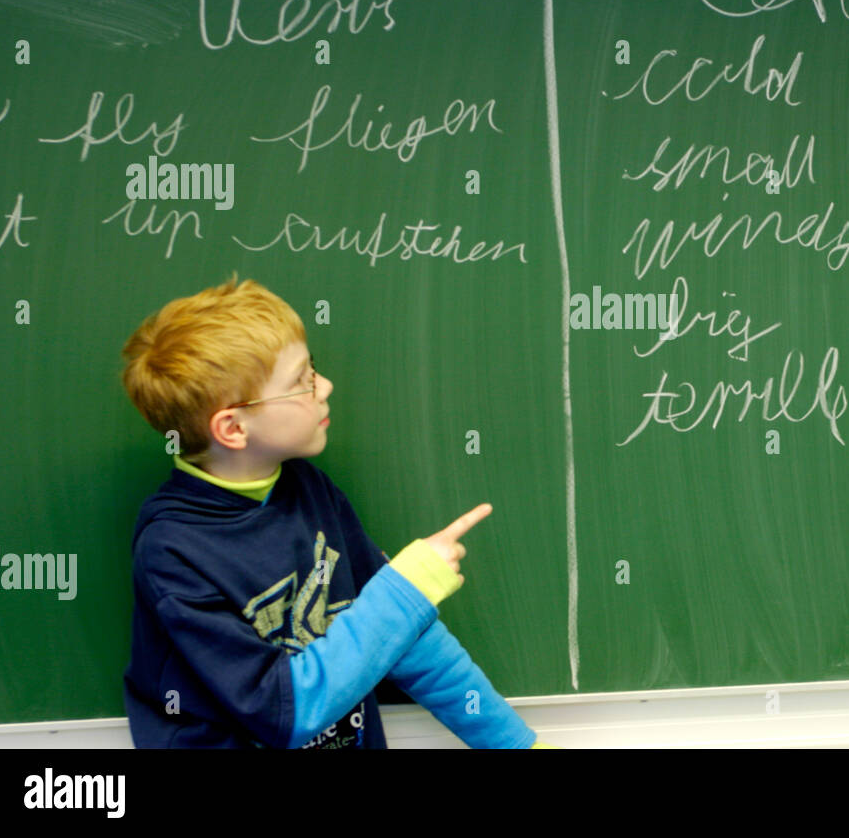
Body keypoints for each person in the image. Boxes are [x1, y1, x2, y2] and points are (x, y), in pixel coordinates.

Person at [119, 274, 548, 748]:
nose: (324, 386)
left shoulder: (309, 489)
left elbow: (407, 640)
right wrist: (406, 591)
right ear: (234, 428)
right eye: (301, 381)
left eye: (314, 369)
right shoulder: (172, 550)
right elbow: (284, 712)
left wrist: (516, 744)